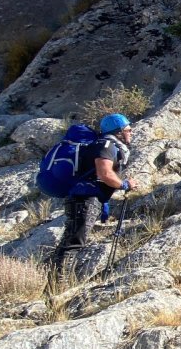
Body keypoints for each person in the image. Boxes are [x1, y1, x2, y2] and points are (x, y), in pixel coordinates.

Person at [51, 113, 137, 273]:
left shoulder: (105, 144)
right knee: (74, 242)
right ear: (118, 132)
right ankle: (58, 281)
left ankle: (54, 279)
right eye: (128, 129)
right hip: (85, 199)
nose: (131, 132)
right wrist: (125, 184)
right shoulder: (106, 145)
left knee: (71, 240)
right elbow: (104, 174)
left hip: (82, 197)